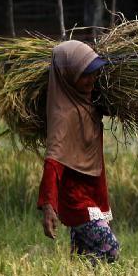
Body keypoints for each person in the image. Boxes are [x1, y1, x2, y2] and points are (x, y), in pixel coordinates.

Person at [37, 40, 120, 263]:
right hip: (76, 198)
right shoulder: (64, 116)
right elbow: (53, 162)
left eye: (94, 73)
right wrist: (48, 207)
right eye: (85, 74)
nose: (92, 79)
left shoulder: (88, 100)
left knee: (83, 254)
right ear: (68, 77)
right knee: (110, 248)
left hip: (93, 189)